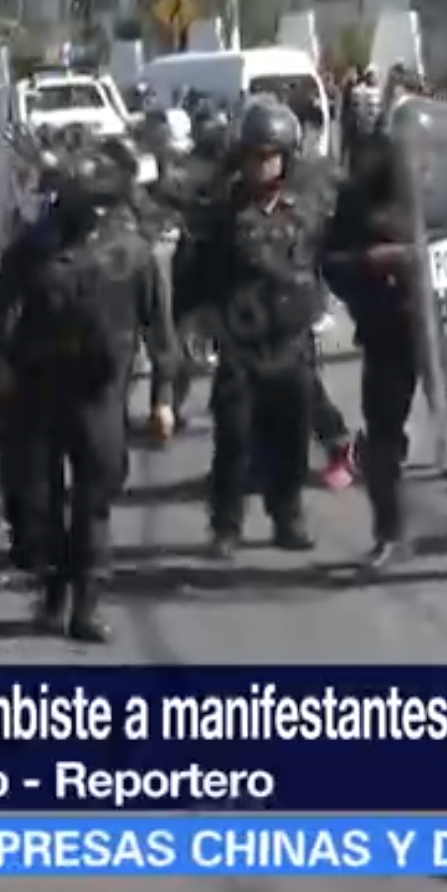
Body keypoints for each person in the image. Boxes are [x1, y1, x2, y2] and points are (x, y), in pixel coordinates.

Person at [0, 133, 177, 640]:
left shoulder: (135, 251)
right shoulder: (33, 247)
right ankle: (53, 593)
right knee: (40, 501)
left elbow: (160, 332)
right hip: (38, 389)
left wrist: (163, 399)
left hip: (100, 394)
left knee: (94, 500)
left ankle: (87, 605)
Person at [322, 98, 447, 583]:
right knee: (384, 440)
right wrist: (379, 260)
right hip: (389, 332)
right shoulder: (363, 197)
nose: (418, 156)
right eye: (408, 146)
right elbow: (333, 263)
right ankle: (391, 536)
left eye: (426, 146)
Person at [174, 99, 326, 558]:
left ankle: (288, 515)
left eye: (270, 155)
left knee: (292, 436)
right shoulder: (220, 213)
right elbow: (191, 273)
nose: (262, 166)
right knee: (235, 439)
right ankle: (226, 524)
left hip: (292, 343)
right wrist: (193, 325)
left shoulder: (306, 211)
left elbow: (323, 263)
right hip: (240, 347)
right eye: (254, 156)